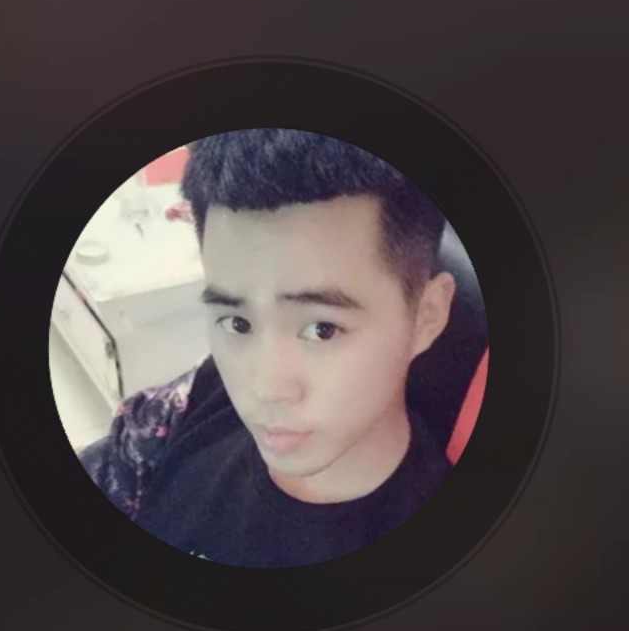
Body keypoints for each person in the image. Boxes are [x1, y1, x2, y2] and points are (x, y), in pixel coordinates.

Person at [79, 129, 457, 568]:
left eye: (322, 330)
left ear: (427, 316)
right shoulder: (199, 398)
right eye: (238, 323)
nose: (264, 388)